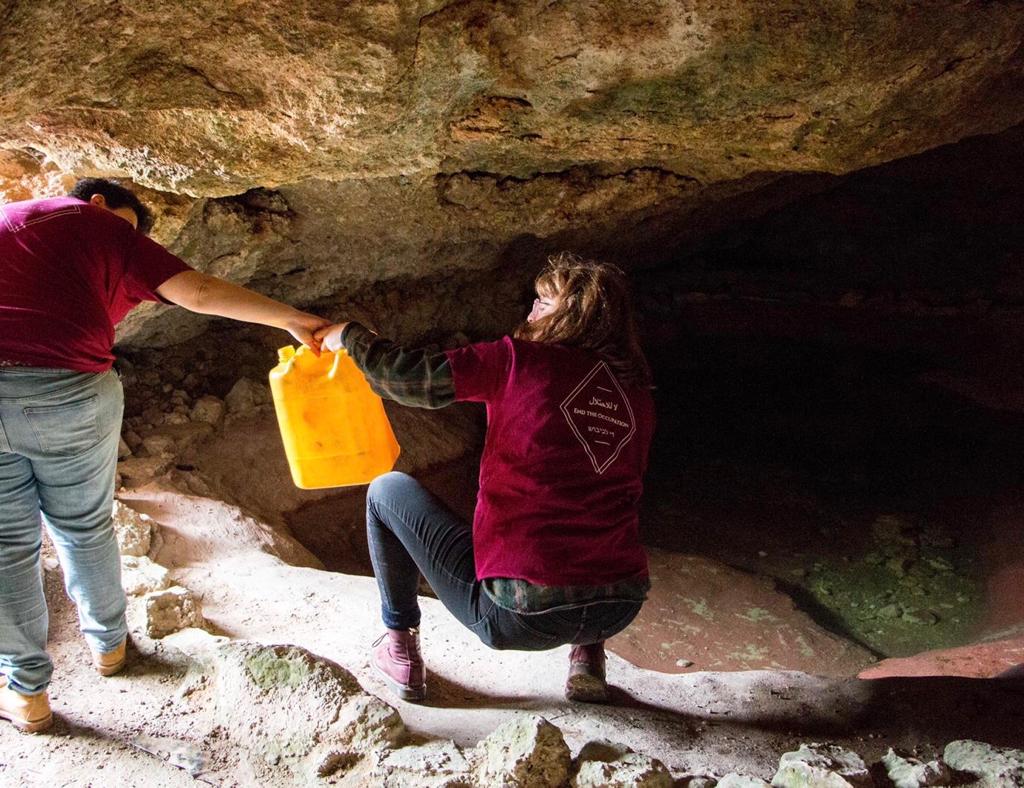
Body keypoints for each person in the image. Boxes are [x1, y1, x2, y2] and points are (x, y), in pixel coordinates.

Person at [0, 178, 330, 732]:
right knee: (82, 526)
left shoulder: (13, 222)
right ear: (100, 203)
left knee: (7, 548)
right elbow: (196, 291)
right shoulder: (96, 222)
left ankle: (26, 691)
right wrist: (291, 318)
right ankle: (109, 648)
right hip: (68, 395)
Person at [315, 252, 655, 704]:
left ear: (574, 317)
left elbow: (410, 379)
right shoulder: (637, 392)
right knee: (589, 502)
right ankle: (588, 660)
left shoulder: (517, 361)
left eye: (543, 304)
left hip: (521, 618)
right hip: (619, 607)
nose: (530, 312)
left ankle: (399, 650)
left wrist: (349, 335)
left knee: (386, 491)